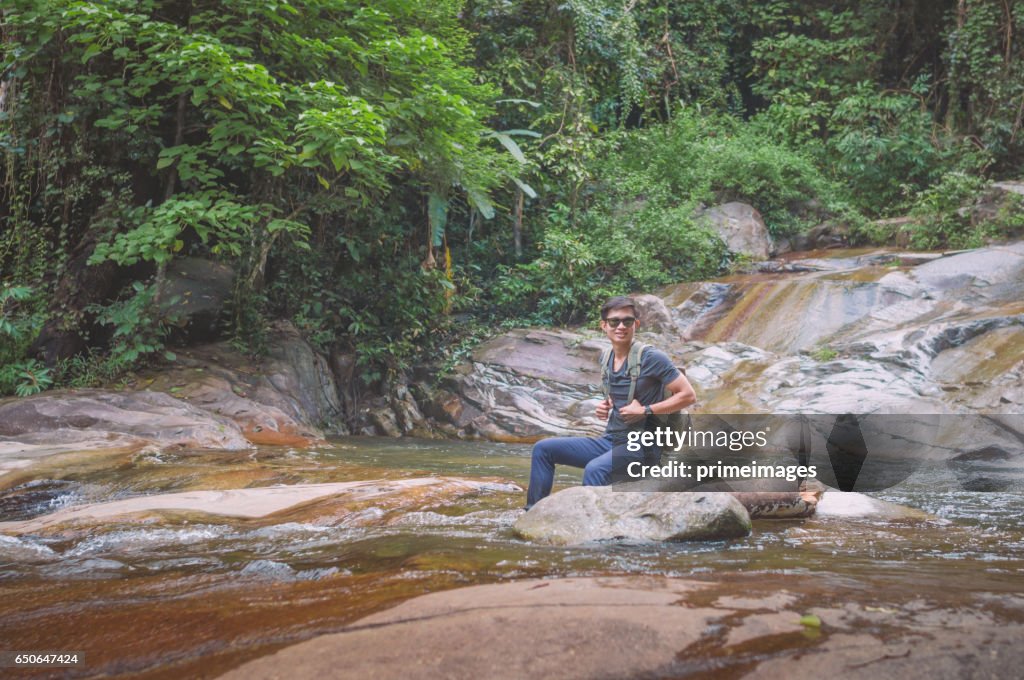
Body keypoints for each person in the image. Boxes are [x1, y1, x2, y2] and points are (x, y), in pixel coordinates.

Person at [525, 295, 697, 509]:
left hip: (645, 445)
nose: (621, 326)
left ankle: (592, 530)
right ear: (604, 325)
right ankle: (532, 513)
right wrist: (605, 405)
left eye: (627, 321)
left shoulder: (652, 358)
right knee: (543, 449)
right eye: (614, 321)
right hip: (611, 440)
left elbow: (688, 395)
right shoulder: (606, 357)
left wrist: (645, 410)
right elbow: (621, 394)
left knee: (596, 470)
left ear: (637, 324)